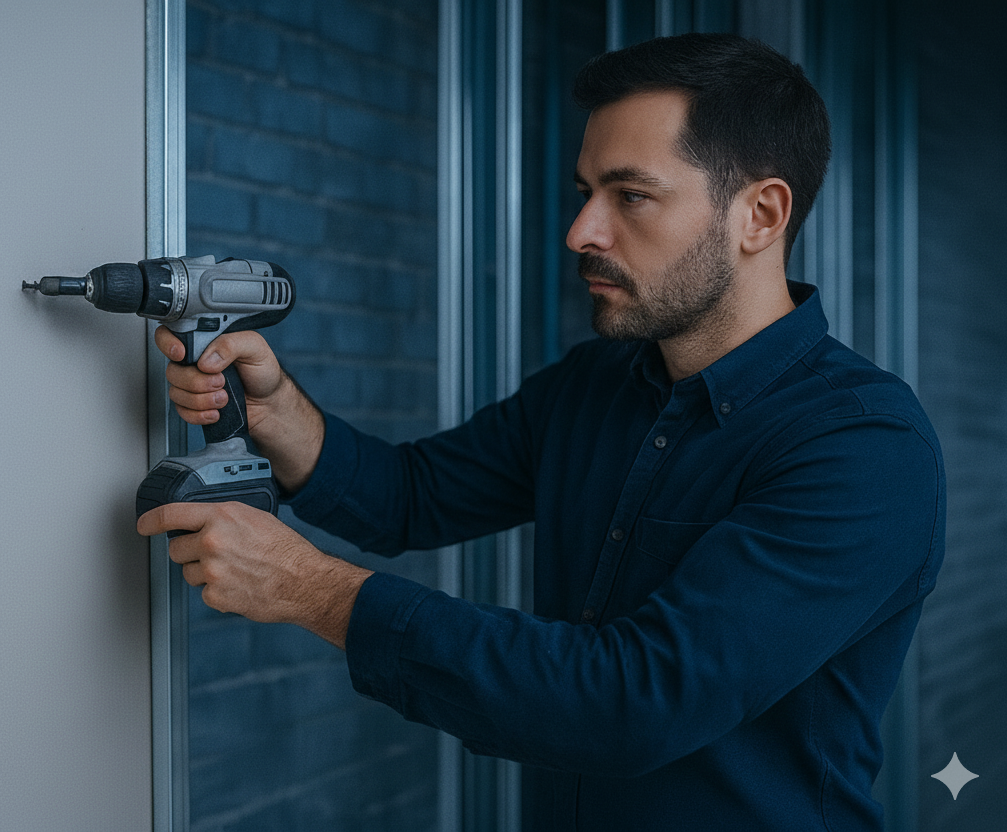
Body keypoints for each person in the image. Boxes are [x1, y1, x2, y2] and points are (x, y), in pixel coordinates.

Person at [137, 33, 945, 831]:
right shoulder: (594, 386)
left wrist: (312, 590)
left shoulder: (863, 449)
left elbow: (634, 703)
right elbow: (410, 497)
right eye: (586, 191)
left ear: (760, 215)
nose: (581, 231)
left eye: (630, 195)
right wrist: (278, 411)